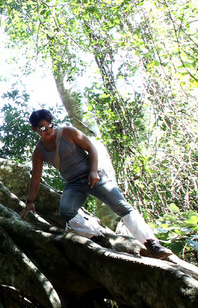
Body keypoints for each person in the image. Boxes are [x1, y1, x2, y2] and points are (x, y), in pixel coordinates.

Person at [18, 109, 173, 259]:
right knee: (66, 211)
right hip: (73, 183)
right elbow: (36, 178)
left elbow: (91, 148)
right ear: (34, 129)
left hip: (93, 176)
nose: (48, 130)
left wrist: (93, 171)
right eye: (43, 128)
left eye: (50, 125)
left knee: (122, 207)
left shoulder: (68, 132)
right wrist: (30, 202)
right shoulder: (39, 152)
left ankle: (152, 244)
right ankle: (98, 239)